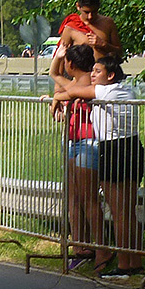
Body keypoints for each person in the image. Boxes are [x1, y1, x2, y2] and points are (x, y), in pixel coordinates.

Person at [54, 54, 144, 279]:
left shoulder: (107, 91)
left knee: (119, 212)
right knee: (128, 211)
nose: (92, 75)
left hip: (114, 149)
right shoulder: (124, 90)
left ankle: (124, 266)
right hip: (132, 147)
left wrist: (57, 97)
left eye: (97, 72)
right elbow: (74, 89)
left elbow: (74, 91)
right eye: (92, 71)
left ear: (110, 75)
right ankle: (134, 261)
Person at [48, 44, 105, 271]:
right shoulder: (78, 83)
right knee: (76, 198)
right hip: (75, 141)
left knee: (86, 199)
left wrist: (58, 57)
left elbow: (54, 76)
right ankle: (81, 247)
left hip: (87, 142)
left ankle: (98, 249)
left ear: (70, 65)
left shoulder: (83, 85)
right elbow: (55, 77)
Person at [51, 0, 121, 80]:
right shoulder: (71, 28)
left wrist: (103, 45)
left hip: (104, 81)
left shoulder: (108, 24)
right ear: (78, 6)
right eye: (86, 12)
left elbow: (120, 52)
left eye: (94, 12)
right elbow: (61, 59)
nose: (90, 16)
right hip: (80, 83)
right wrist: (59, 88)